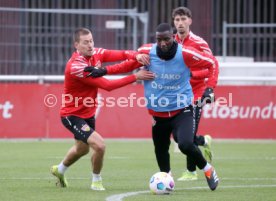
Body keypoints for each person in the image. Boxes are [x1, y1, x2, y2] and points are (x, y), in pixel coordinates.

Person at [84, 23, 219, 191]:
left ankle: (207, 169)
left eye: (167, 39)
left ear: (173, 37)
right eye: (159, 40)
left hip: (182, 109)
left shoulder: (185, 53)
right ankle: (167, 179)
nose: (163, 43)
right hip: (158, 113)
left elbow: (212, 64)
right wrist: (104, 71)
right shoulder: (147, 52)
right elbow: (127, 65)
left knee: (184, 143)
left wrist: (210, 88)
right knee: (161, 149)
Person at [50, 27, 154, 191]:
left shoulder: (96, 53)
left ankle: (59, 170)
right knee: (99, 145)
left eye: (91, 41)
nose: (90, 45)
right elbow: (108, 86)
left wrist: (137, 56)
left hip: (88, 113)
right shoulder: (76, 66)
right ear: (76, 45)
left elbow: (121, 55)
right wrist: (136, 76)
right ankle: (96, 181)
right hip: (72, 114)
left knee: (82, 149)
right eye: (85, 42)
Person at [172, 7, 219, 181]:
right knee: (178, 136)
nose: (180, 23)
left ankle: (191, 172)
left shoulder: (199, 43)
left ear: (190, 21)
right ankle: (203, 141)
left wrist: (210, 87)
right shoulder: (171, 43)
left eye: (183, 19)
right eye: (177, 20)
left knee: (188, 136)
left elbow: (212, 66)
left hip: (196, 93)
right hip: (177, 94)